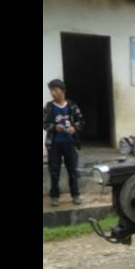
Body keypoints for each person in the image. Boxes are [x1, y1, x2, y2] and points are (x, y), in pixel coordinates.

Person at [43, 79, 85, 207]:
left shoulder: (71, 106)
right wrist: (54, 127)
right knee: (54, 170)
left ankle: (76, 194)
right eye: (51, 91)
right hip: (54, 144)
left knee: (72, 170)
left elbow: (81, 121)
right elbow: (45, 124)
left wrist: (74, 128)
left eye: (55, 90)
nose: (53, 93)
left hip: (70, 143)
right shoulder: (49, 107)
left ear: (63, 91)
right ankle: (54, 196)